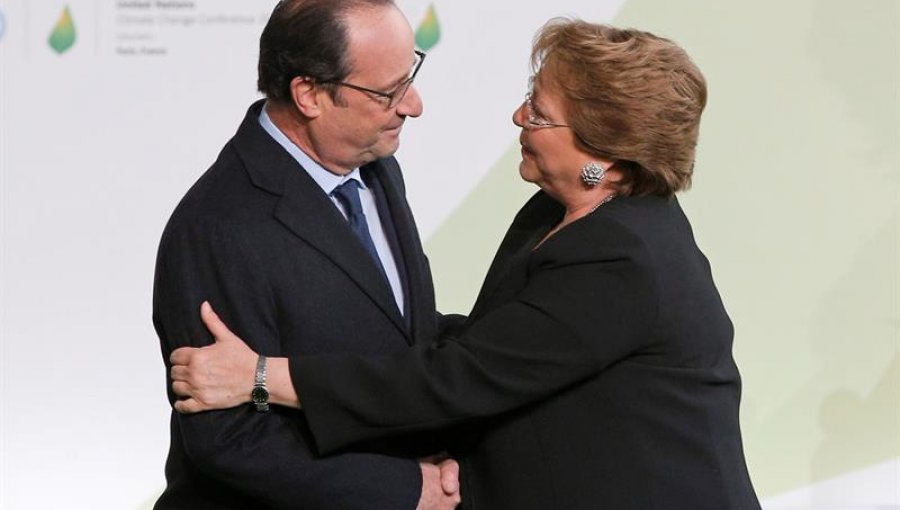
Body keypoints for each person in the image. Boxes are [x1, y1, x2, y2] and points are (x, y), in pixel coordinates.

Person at [170, 19, 762, 510]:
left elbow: (462, 376)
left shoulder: (622, 256)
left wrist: (260, 376)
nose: (518, 118)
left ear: (603, 153)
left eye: (540, 111)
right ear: (310, 93)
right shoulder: (554, 215)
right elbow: (495, 344)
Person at [152, 0, 461, 508]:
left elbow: (401, 334)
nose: (414, 105)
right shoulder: (218, 225)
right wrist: (406, 489)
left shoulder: (375, 167)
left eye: (411, 76)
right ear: (310, 94)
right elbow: (229, 440)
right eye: (389, 92)